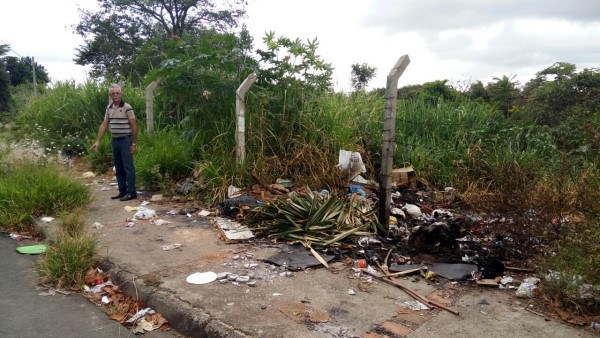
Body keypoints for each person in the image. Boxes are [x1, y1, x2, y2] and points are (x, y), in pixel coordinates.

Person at [91, 84, 138, 201]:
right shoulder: (109, 108)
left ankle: (132, 192)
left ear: (121, 94)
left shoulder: (127, 107)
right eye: (113, 93)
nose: (115, 95)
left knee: (128, 167)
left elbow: (134, 125)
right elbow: (104, 124)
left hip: (125, 140)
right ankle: (122, 191)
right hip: (115, 141)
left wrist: (134, 143)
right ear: (110, 95)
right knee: (118, 167)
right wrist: (97, 141)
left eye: (118, 93)